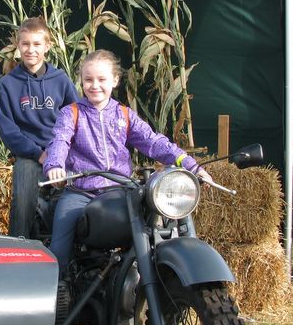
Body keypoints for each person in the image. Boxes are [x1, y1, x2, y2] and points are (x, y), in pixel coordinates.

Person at [43, 49, 213, 272]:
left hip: (121, 191)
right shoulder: (71, 113)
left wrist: (189, 163)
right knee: (60, 246)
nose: (95, 85)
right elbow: (60, 140)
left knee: (151, 224)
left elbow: (152, 142)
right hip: (81, 192)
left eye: (101, 79)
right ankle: (60, 289)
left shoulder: (124, 115)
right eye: (88, 80)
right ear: (81, 81)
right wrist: (55, 165)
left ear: (115, 80)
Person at [0, 17, 77, 240]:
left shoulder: (61, 80)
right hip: (29, 155)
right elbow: (9, 133)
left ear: (47, 46)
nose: (31, 50)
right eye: (25, 44)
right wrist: (39, 155)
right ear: (18, 46)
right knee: (22, 201)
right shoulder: (6, 86)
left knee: (73, 197)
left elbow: (74, 119)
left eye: (37, 44)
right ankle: (17, 252)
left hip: (60, 152)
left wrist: (59, 153)